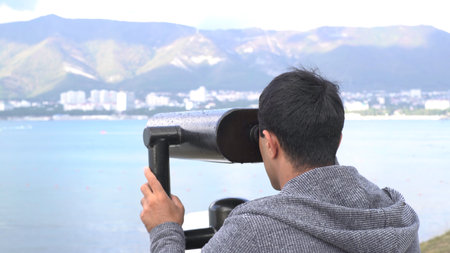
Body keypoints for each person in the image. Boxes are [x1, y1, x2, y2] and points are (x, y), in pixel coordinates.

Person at [140, 68, 420, 252]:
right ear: (338, 139)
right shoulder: (395, 214)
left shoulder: (253, 231)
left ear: (270, 144)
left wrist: (165, 229)